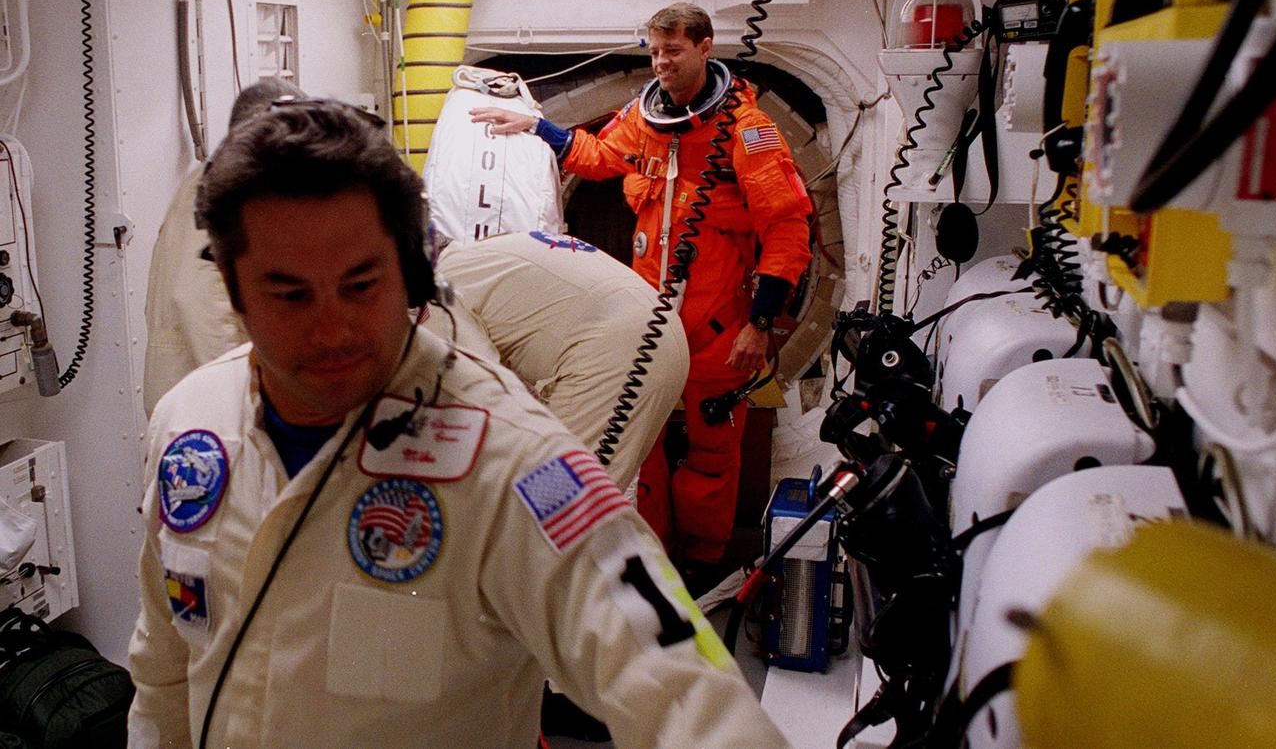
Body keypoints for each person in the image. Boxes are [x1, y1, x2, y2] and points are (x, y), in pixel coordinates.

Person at [127, 95, 791, 749]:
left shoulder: (515, 459)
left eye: (361, 285)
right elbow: (162, 672)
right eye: (289, 294)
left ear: (413, 274)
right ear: (234, 293)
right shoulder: (189, 428)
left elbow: (675, 670)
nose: (332, 328)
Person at [471, 2, 813, 588]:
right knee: (639, 441)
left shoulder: (749, 131)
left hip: (716, 327)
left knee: (711, 450)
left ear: (706, 48)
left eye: (672, 52)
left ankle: (704, 559)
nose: (661, 64)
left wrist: (759, 325)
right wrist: (539, 128)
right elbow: (601, 158)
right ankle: (649, 555)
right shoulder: (645, 115)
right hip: (647, 317)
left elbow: (787, 229)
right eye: (654, 52)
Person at [426, 229, 689, 492]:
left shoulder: (438, 286)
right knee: (593, 499)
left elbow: (483, 393)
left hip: (615, 352)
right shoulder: (490, 250)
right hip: (661, 333)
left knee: (552, 502)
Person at [141, 78, 302, 417]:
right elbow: (199, 301)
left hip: (194, 387)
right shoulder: (226, 189)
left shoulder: (211, 179)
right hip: (206, 401)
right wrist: (247, 400)